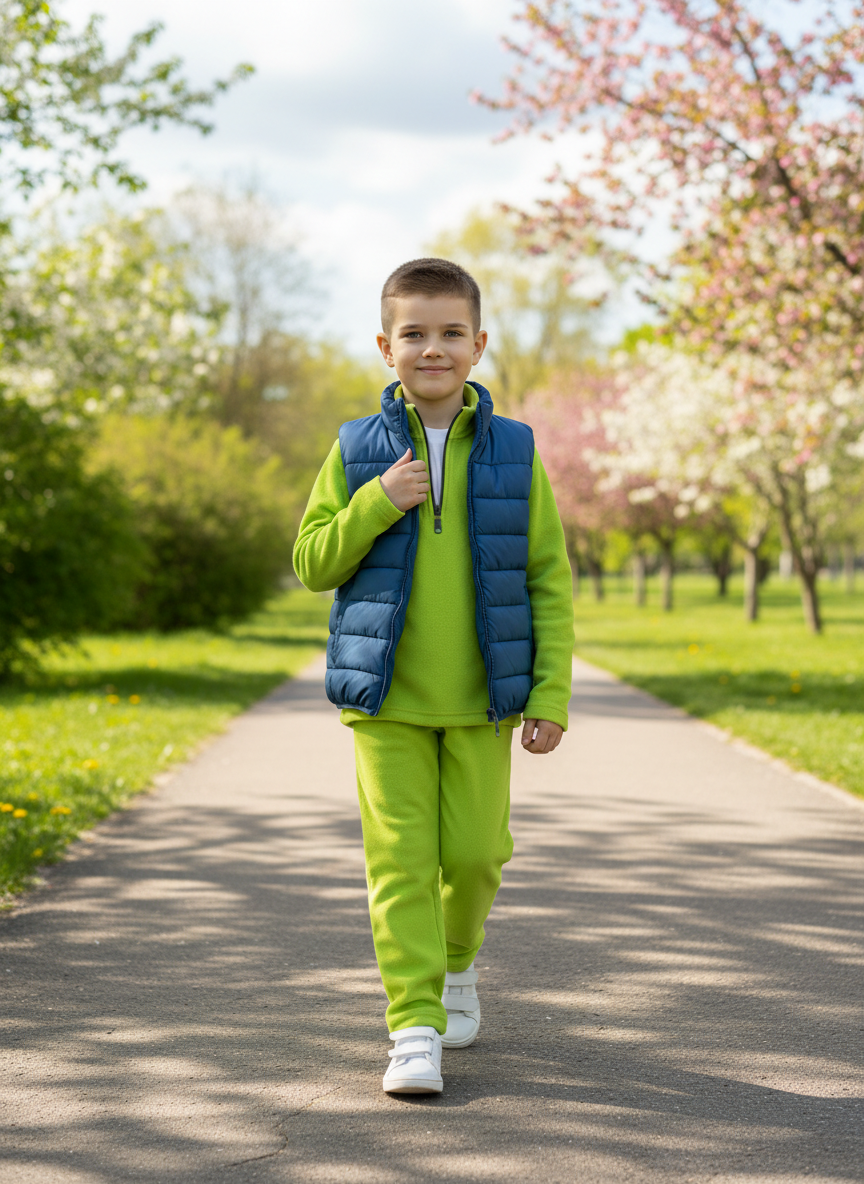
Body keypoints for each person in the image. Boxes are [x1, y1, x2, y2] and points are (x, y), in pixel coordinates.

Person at [293, 258, 574, 1095]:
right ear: (386, 346)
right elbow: (311, 560)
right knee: (401, 863)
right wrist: (378, 499)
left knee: (479, 855)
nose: (433, 348)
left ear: (479, 344)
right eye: (414, 333)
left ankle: (456, 964)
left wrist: (550, 693)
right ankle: (413, 1025)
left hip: (485, 704)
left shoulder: (517, 452)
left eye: (451, 332)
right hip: (387, 705)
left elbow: (548, 582)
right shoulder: (355, 449)